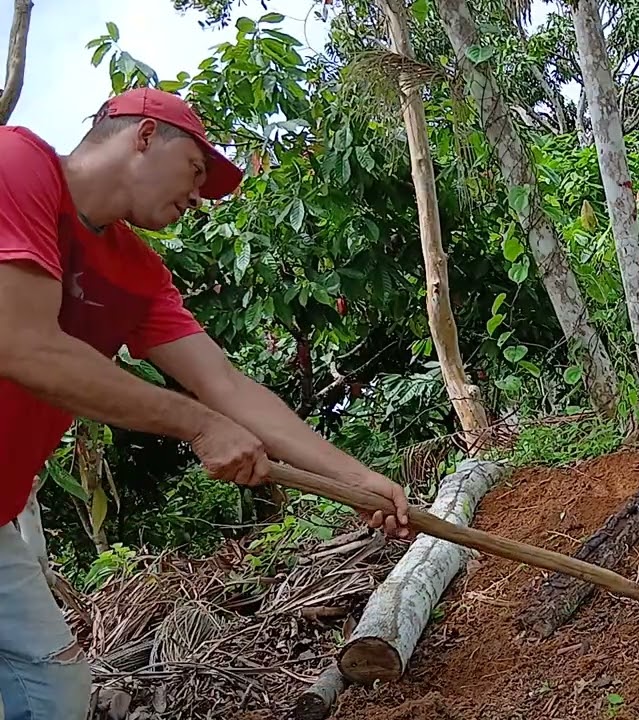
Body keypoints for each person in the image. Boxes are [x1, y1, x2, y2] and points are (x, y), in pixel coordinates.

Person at [0, 88, 412, 719]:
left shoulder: (137, 273)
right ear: (143, 136)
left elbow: (225, 385)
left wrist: (356, 479)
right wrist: (198, 425)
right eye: (195, 170)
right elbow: (23, 346)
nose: (198, 197)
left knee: (54, 692)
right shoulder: (17, 165)